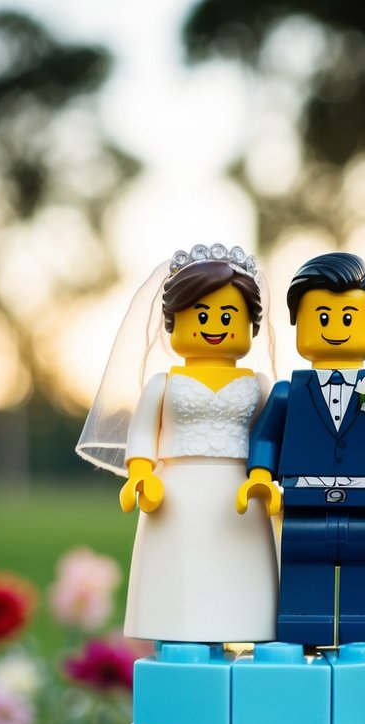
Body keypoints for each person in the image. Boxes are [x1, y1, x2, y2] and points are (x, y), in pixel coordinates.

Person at [77, 243, 278, 644]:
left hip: (241, 490)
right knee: (182, 563)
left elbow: (273, 435)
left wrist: (272, 479)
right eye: (201, 314)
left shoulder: (259, 385)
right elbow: (141, 435)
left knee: (240, 563)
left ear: (250, 325)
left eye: (228, 315)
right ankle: (178, 634)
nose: (214, 324)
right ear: (174, 322)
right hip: (176, 490)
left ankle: (245, 628)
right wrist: (140, 474)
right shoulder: (164, 384)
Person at [237, 251, 365, 648]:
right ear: (298, 322)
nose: (336, 327)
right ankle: (301, 633)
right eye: (322, 317)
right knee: (302, 567)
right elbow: (266, 436)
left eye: (349, 318)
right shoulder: (288, 392)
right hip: (304, 501)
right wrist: (260, 476)